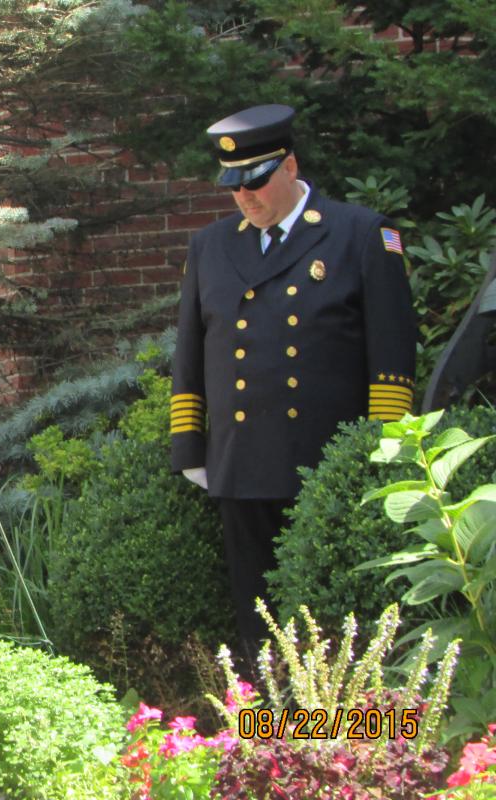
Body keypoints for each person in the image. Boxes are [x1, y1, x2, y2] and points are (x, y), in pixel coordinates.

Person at [169, 104, 417, 660]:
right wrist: (189, 444)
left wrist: (377, 456)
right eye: (234, 188)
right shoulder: (210, 246)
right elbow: (189, 352)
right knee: (257, 624)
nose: (245, 198)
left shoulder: (360, 235)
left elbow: (393, 356)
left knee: (336, 626)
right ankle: (269, 739)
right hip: (239, 463)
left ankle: (343, 741)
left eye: (256, 183)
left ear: (289, 167)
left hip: (326, 465)